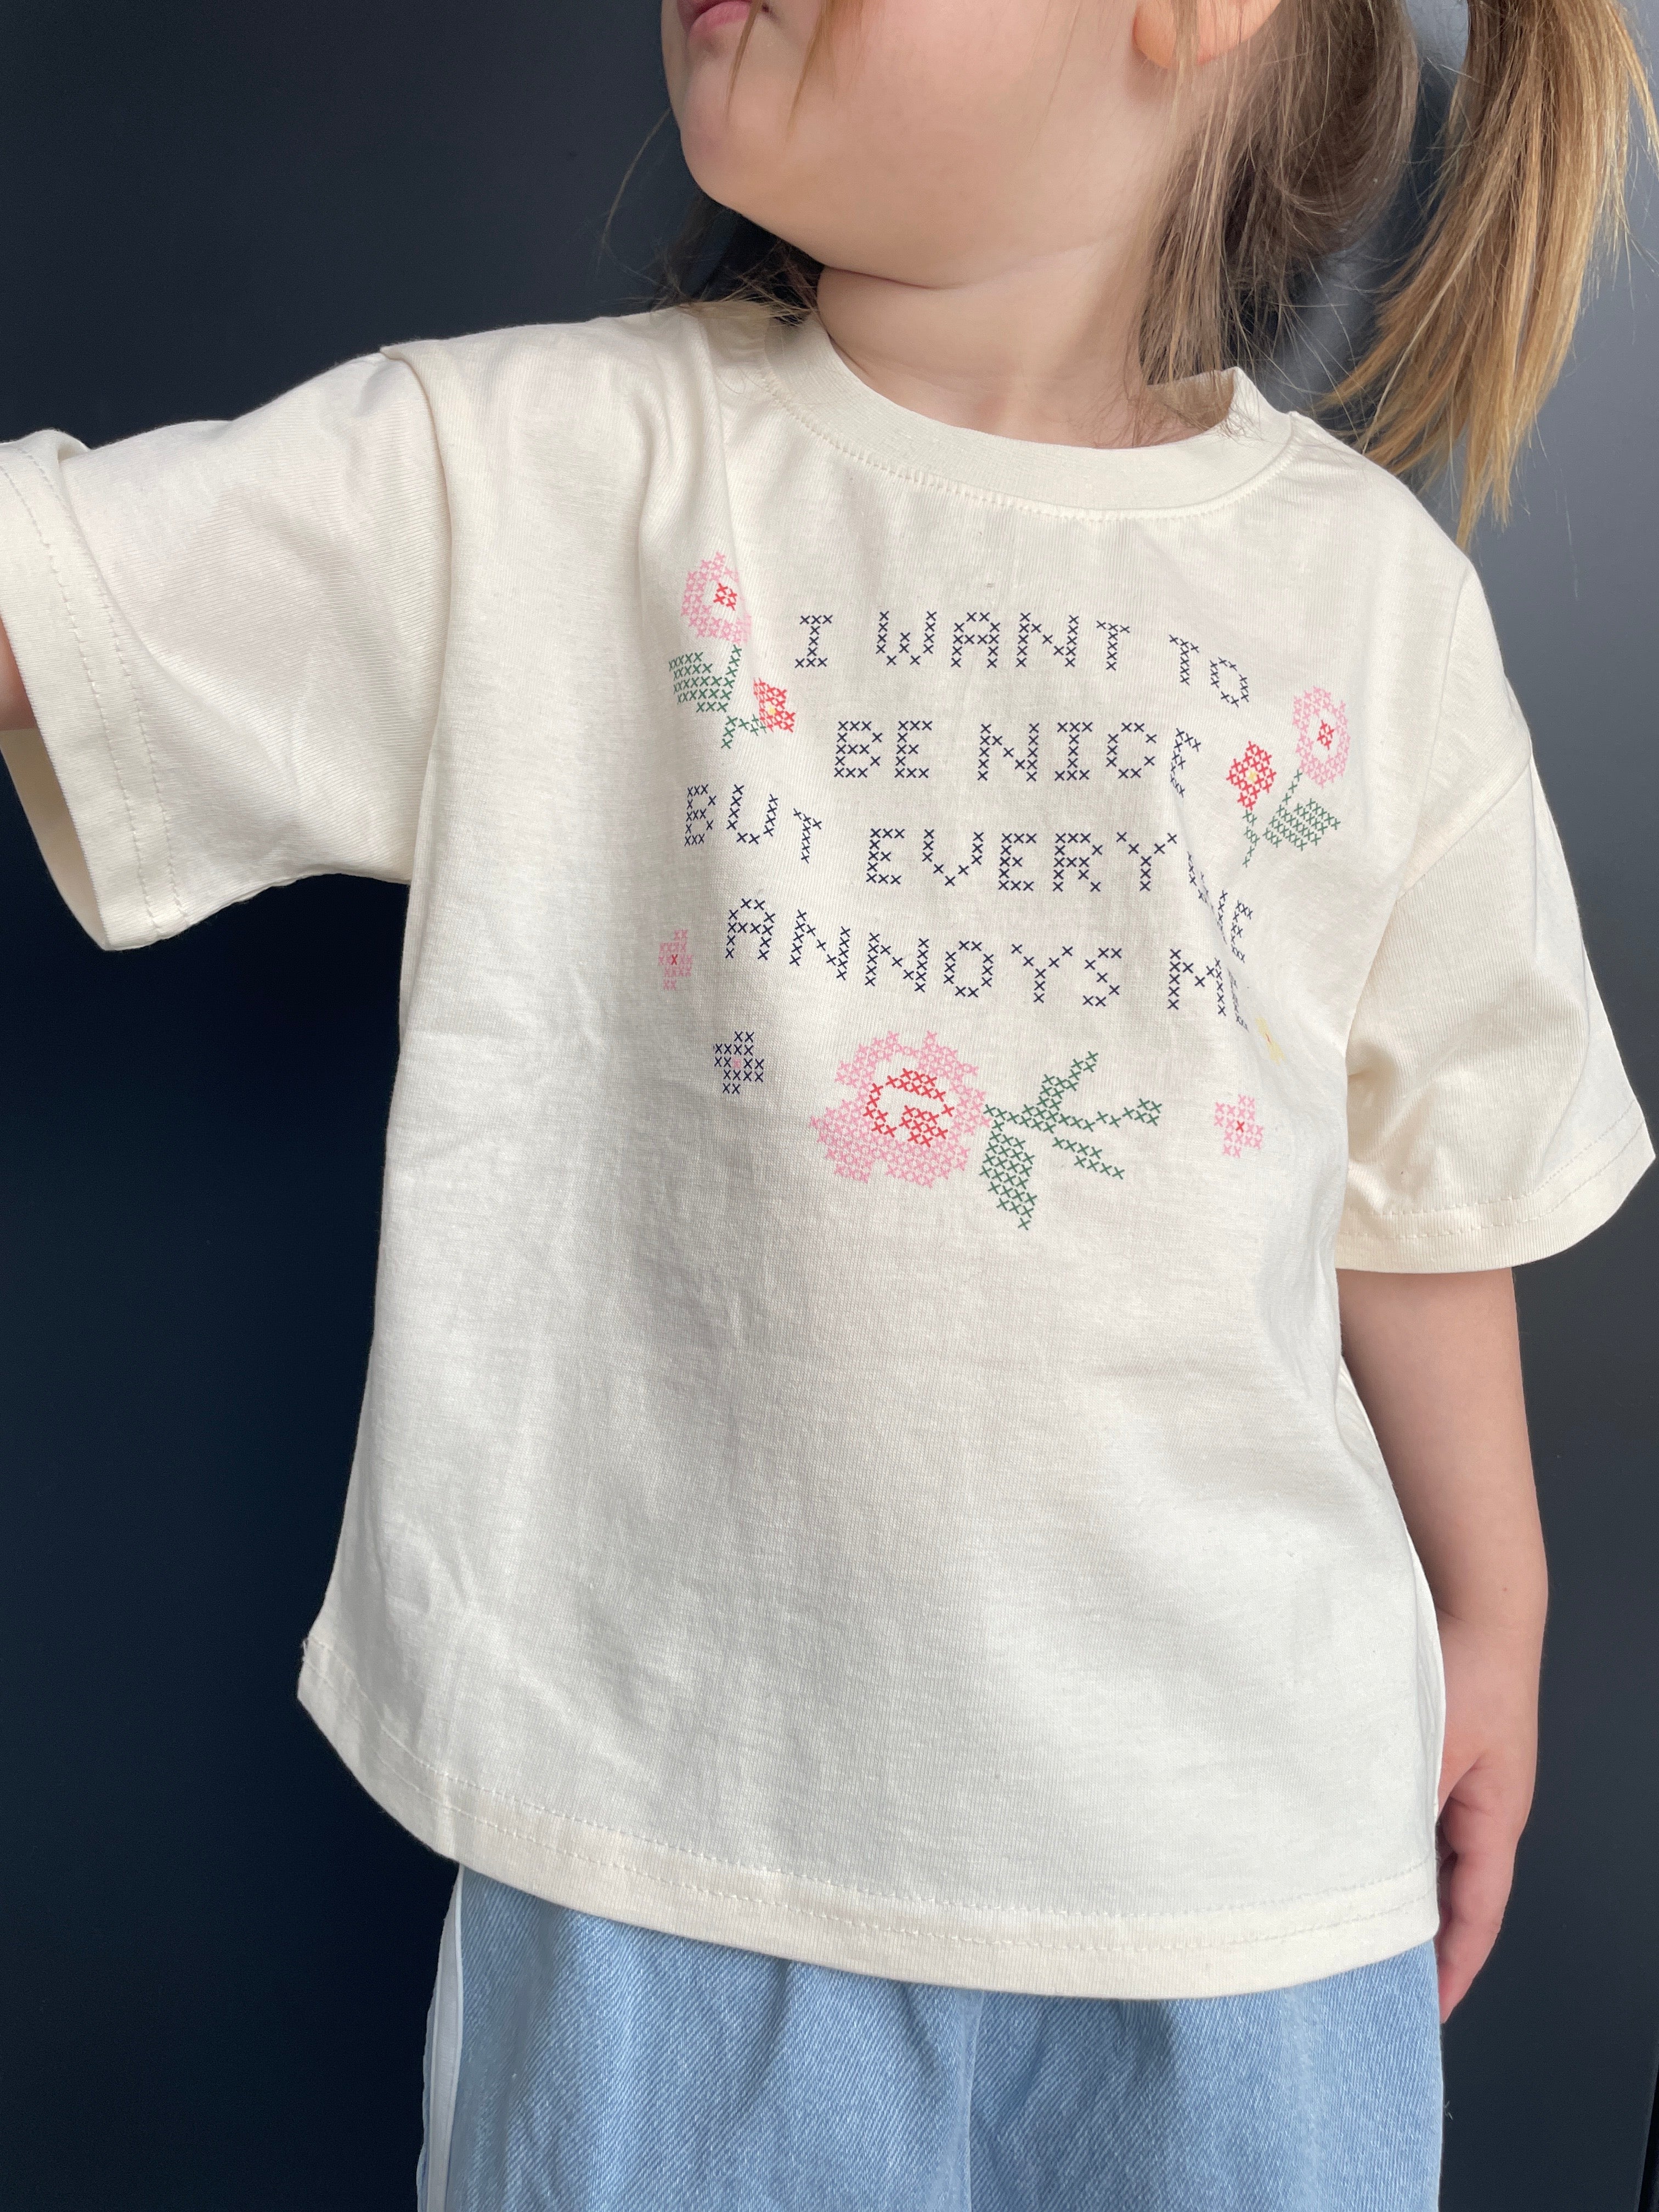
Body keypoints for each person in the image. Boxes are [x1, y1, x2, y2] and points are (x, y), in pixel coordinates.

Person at [0, 0, 1652, 2202]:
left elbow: (1427, 1194)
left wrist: (1494, 1618)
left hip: (1240, 1900)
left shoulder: (1370, 609)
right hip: (669, 1871)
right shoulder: (544, 476)